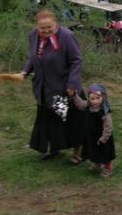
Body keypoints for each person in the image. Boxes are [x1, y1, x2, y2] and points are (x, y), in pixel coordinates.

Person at [19, 10, 84, 161]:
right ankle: (53, 148)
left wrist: (72, 84)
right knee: (49, 121)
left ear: (56, 23)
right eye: (42, 28)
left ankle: (78, 151)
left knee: (71, 120)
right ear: (36, 26)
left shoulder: (66, 36)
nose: (46, 30)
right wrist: (25, 72)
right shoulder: (33, 35)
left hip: (64, 89)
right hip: (44, 88)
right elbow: (32, 57)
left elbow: (76, 60)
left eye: (50, 27)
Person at [70, 84, 116, 178]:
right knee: (94, 151)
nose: (95, 101)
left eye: (98, 98)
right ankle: (97, 164)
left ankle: (108, 169)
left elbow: (108, 128)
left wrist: (104, 138)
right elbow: (80, 104)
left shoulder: (105, 112)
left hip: (103, 137)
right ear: (89, 98)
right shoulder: (88, 105)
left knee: (105, 154)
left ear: (103, 97)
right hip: (92, 136)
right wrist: (74, 95)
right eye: (92, 98)